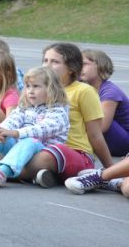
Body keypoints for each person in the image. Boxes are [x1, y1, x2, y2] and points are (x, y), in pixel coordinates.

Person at [0, 66, 69, 186]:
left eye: (36, 86)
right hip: (20, 149)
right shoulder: (26, 106)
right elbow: (13, 119)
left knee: (30, 141)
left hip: (42, 152)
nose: (30, 91)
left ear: (51, 89)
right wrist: (3, 131)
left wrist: (17, 133)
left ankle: (2, 172)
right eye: (28, 86)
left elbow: (44, 129)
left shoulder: (58, 110)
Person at [20, 43, 114, 188]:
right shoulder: (35, 88)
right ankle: (39, 175)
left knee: (49, 154)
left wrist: (111, 171)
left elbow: (95, 134)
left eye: (55, 62)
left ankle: (5, 170)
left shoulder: (83, 91)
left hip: (74, 153)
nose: (47, 65)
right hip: (37, 147)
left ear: (71, 68)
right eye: (45, 60)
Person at [81, 49, 129, 157]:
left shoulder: (110, 92)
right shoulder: (82, 87)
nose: (79, 68)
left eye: (84, 64)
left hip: (124, 142)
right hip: (104, 136)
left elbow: (101, 127)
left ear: (100, 67)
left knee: (94, 118)